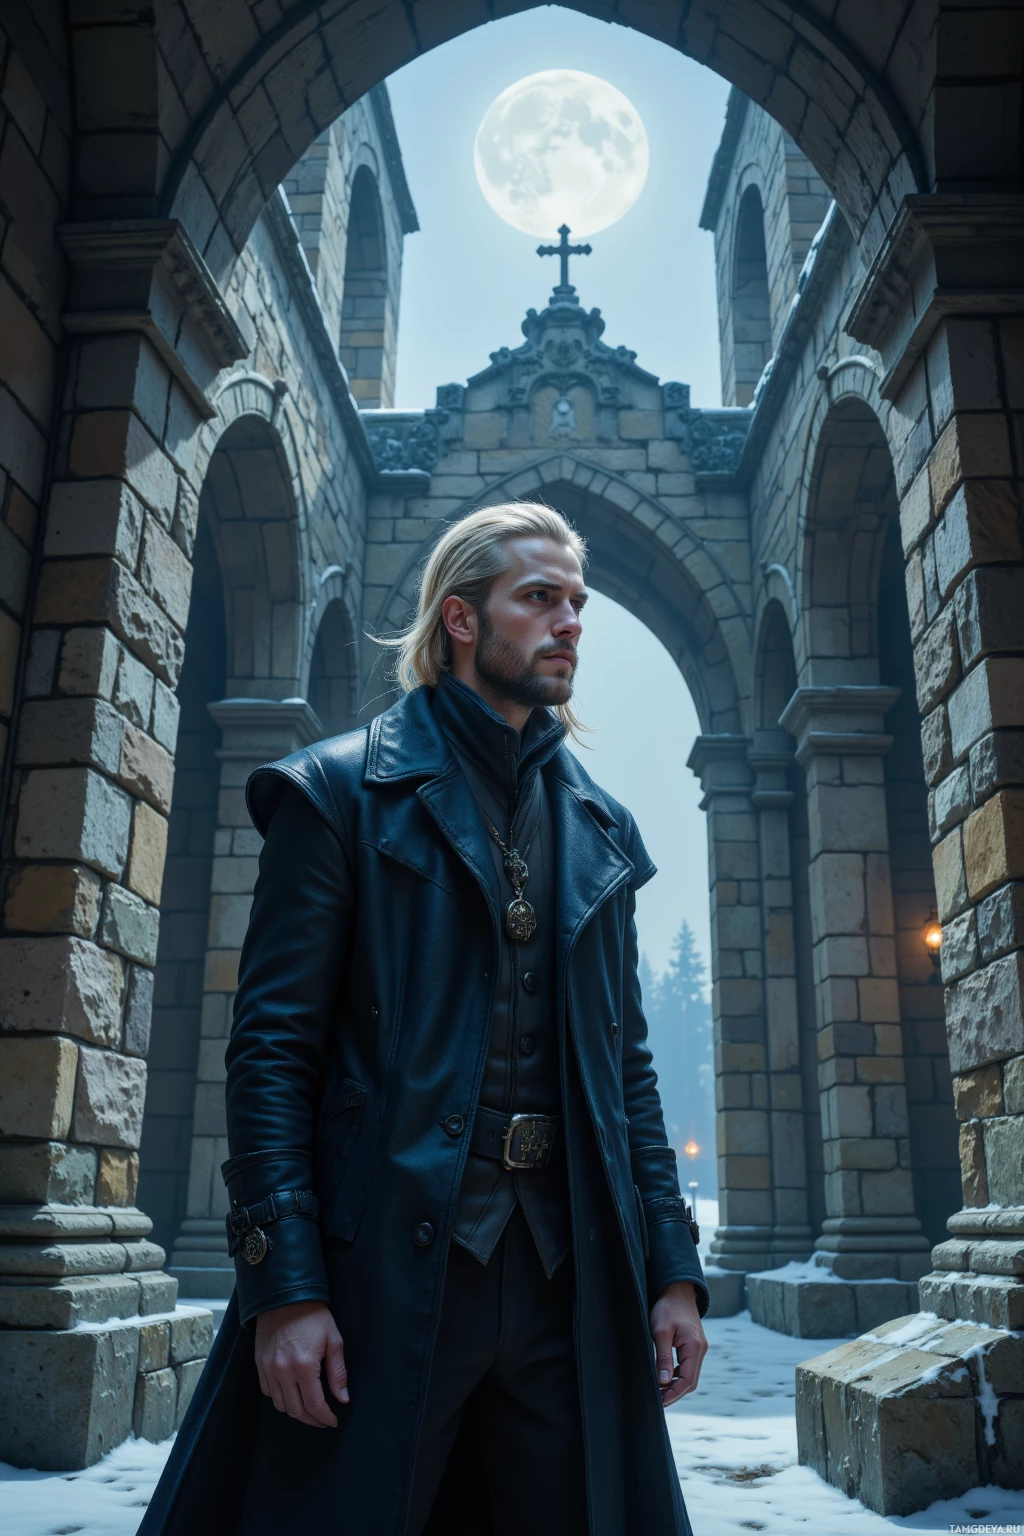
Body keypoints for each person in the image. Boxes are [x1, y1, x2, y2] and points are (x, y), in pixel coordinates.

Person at [140, 501, 708, 1536]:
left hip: (568, 1280)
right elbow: (271, 1056)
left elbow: (625, 1071)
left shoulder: (602, 830)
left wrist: (672, 1270)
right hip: (382, 1275)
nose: (570, 622)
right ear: (460, 618)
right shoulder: (337, 795)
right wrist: (285, 1287)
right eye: (540, 598)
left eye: (577, 602)